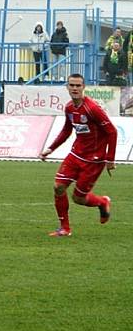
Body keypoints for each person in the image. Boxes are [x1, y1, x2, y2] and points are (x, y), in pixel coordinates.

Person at [39, 73, 116, 238]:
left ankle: (103, 202)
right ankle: (64, 229)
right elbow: (67, 130)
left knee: (78, 198)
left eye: (78, 85)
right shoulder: (69, 108)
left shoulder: (92, 108)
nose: (74, 88)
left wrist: (110, 159)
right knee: (58, 186)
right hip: (76, 154)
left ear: (83, 87)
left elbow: (112, 131)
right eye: (71, 85)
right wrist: (50, 148)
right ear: (67, 87)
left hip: (94, 160)